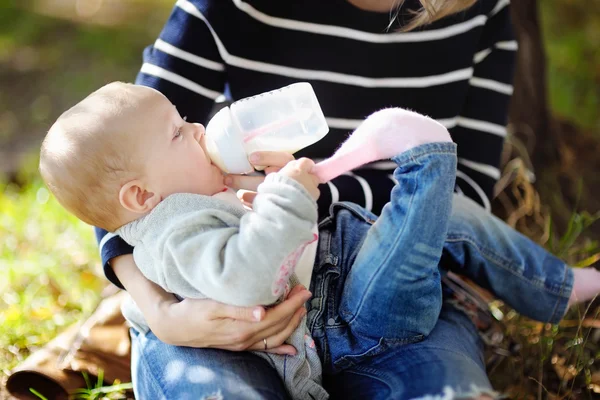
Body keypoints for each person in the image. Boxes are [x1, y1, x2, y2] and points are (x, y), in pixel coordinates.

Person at [87, 0, 590, 399]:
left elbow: (459, 194)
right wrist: (159, 311)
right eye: (183, 132)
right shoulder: (230, 8)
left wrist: (305, 189)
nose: (195, 130)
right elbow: (115, 171)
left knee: (445, 388)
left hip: (392, 277)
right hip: (225, 308)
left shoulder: (478, 11)